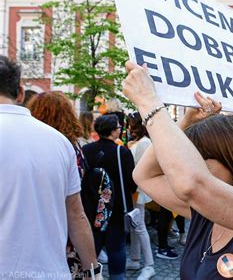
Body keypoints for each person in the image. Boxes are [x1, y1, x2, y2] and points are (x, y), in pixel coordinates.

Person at [123, 61, 233, 279]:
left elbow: (193, 184)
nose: (191, 164)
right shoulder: (205, 212)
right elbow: (144, 175)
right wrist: (186, 122)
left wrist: (149, 102)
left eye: (201, 158)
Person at [0, 56, 101, 279]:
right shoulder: (60, 142)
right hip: (49, 271)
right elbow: (77, 216)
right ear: (20, 92)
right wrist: (94, 271)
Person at [82, 114, 137, 279]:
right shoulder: (122, 152)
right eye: (119, 127)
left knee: (92, 247)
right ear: (113, 132)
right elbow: (131, 184)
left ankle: (90, 275)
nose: (120, 130)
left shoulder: (86, 150)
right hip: (117, 209)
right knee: (117, 248)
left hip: (91, 209)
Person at [125, 113, 156, 279]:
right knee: (135, 225)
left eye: (131, 124)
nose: (129, 127)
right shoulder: (140, 142)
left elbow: (139, 170)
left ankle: (149, 265)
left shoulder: (144, 143)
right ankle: (135, 259)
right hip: (134, 189)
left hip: (137, 190)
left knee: (139, 226)